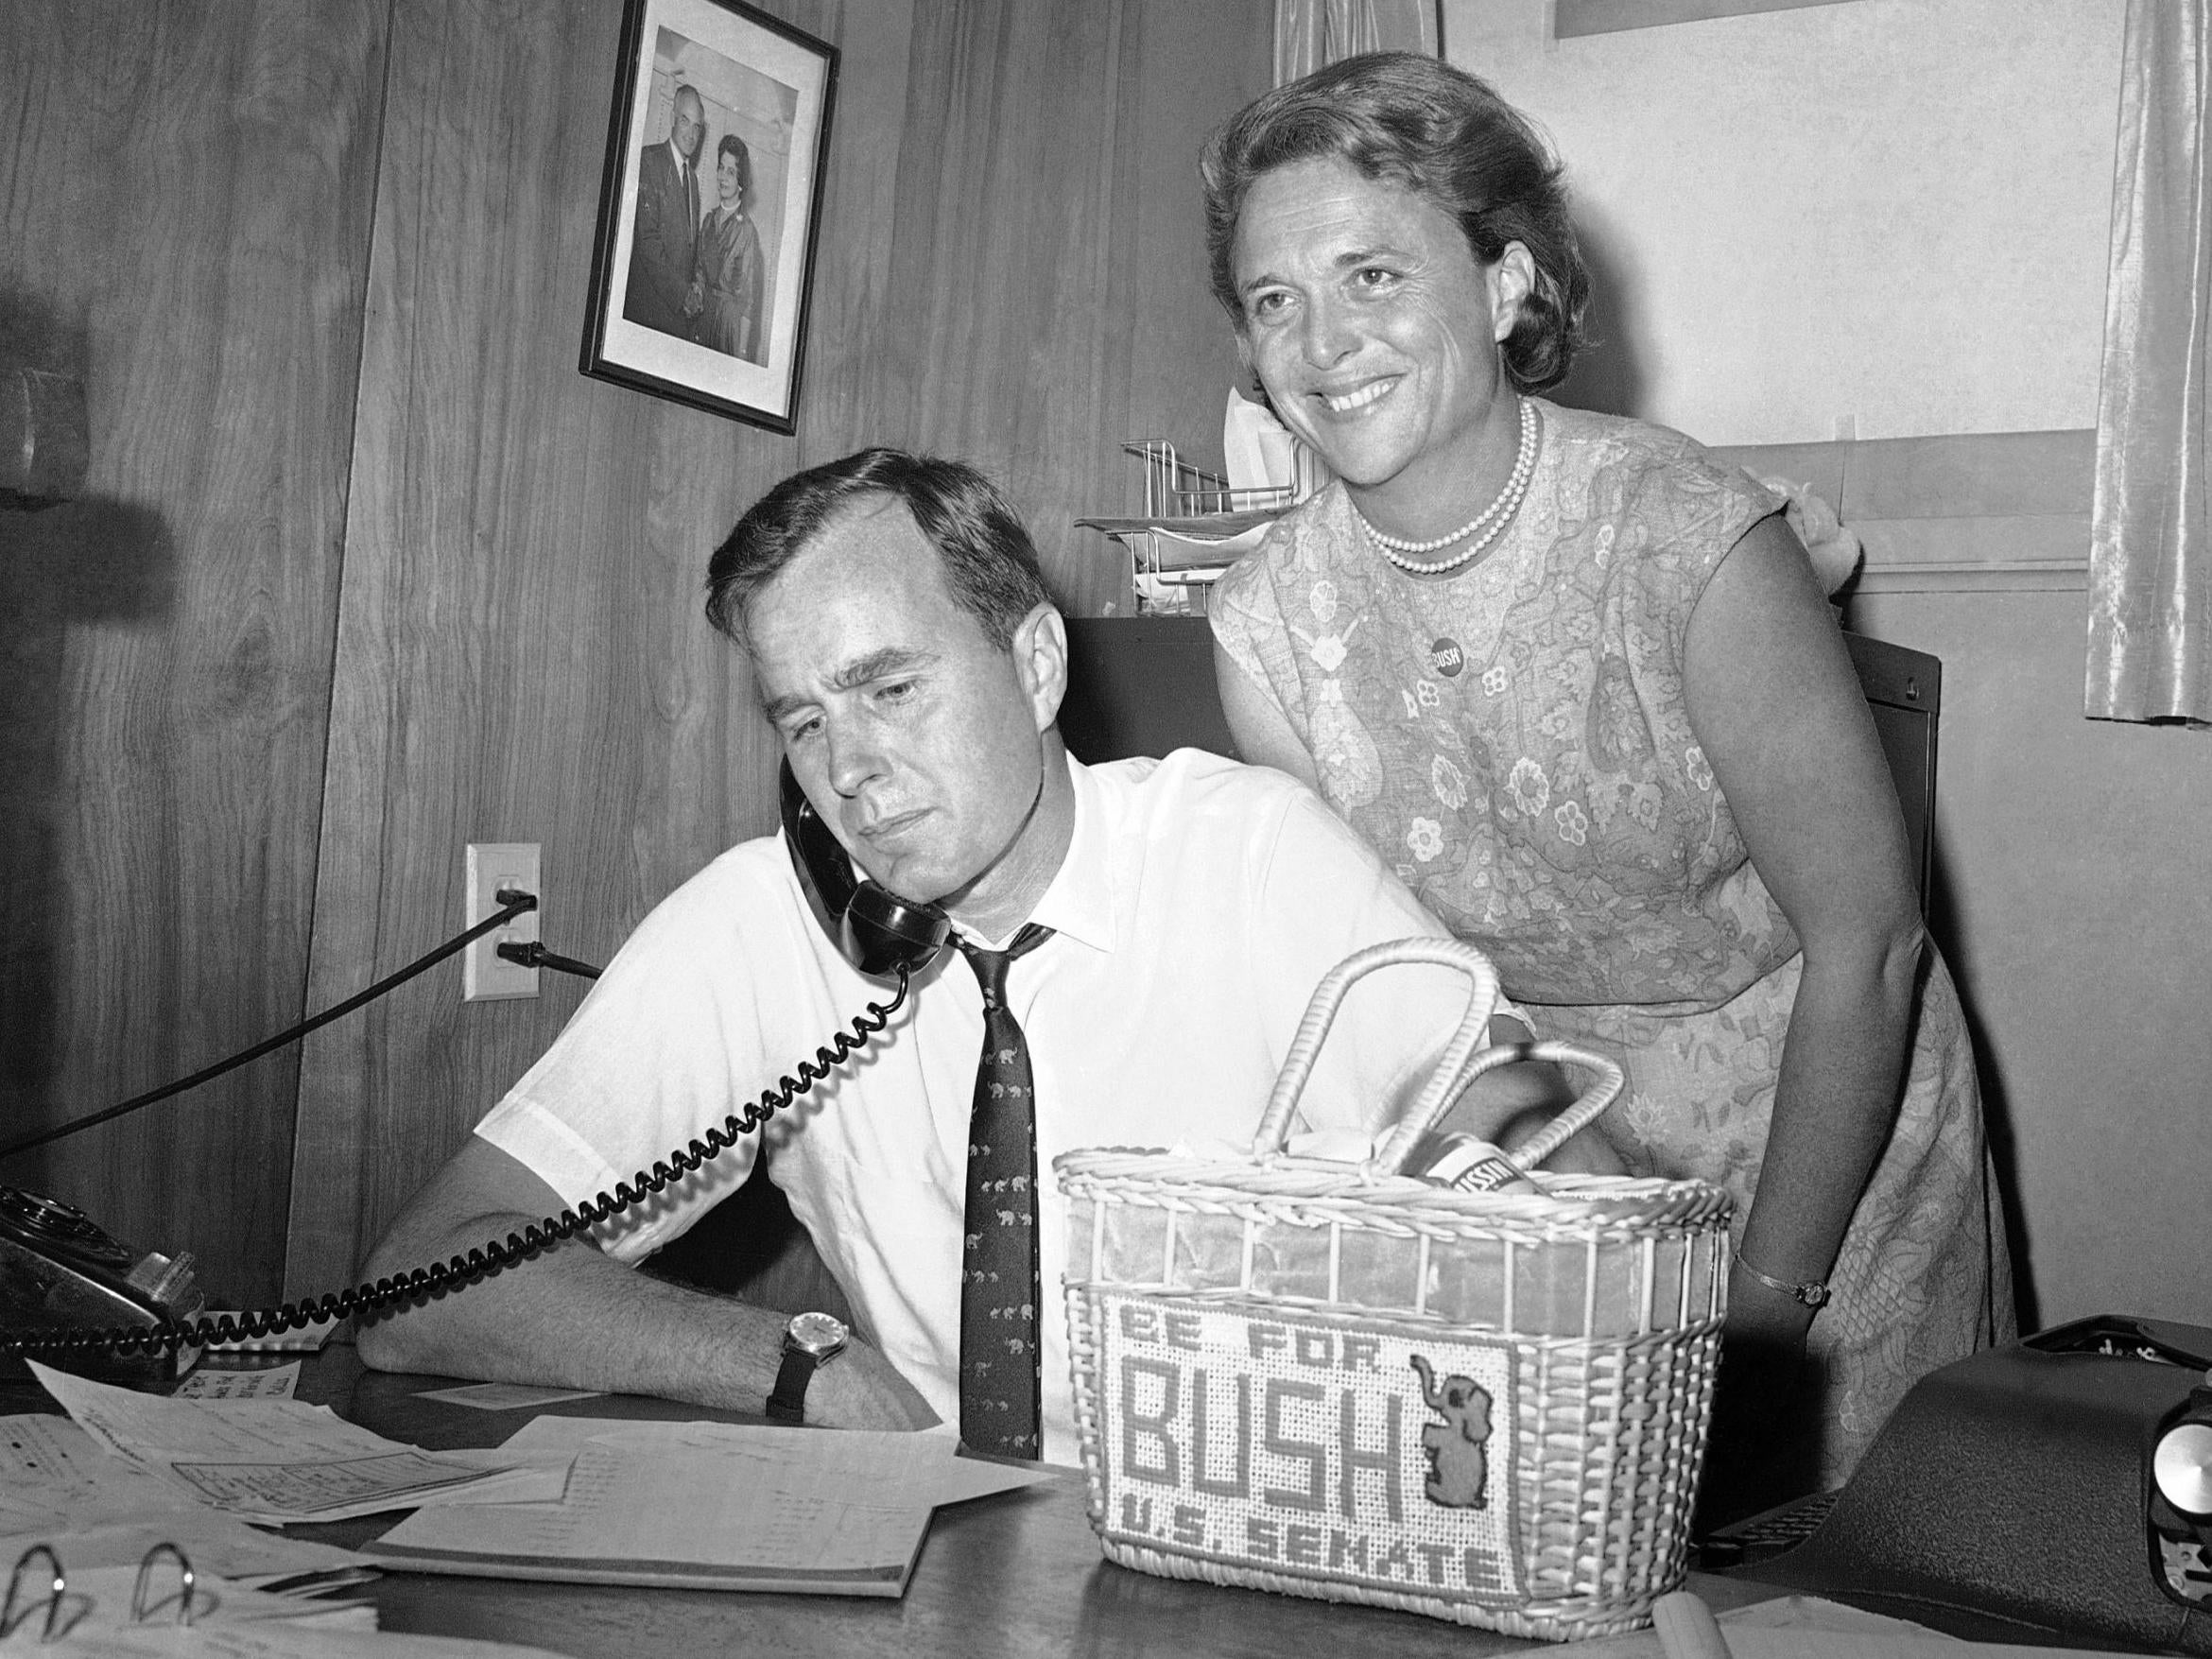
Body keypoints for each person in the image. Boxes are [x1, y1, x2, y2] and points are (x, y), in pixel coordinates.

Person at [357, 447, 1561, 1465]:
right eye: (807, 720)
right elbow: (423, 1281)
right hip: (947, 1553)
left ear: (1035, 665)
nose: (852, 769)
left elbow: (1557, 1177)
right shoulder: (766, 921)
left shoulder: (1248, 856)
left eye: (889, 688)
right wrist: (796, 1367)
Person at [1198, 52, 2013, 1517]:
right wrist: (1565, 1244)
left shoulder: (1689, 539)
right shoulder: (1265, 629)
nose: (1321, 343)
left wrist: (1759, 1317)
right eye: (1274, 300)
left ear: (1507, 280)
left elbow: (1870, 944)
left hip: (1830, 1146)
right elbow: (1395, 999)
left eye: (1372, 273)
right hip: (1548, 1153)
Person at [623, 84, 705, 337]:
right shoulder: (649, 160)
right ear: (672, 118)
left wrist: (698, 285)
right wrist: (683, 296)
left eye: (697, 127)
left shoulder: (692, 180)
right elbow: (647, 242)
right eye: (685, 121)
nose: (691, 134)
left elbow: (690, 247)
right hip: (649, 312)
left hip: (676, 319)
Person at [694, 133, 767, 364]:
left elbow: (749, 303)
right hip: (701, 319)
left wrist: (741, 354)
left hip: (728, 327)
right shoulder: (707, 221)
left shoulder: (746, 231)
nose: (723, 177)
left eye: (731, 172)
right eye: (721, 168)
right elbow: (697, 276)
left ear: (741, 180)